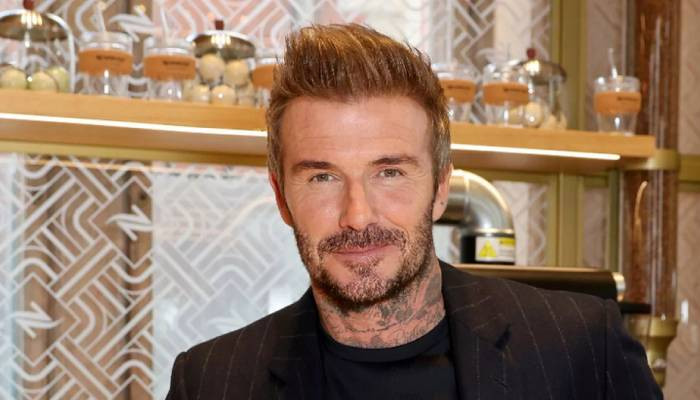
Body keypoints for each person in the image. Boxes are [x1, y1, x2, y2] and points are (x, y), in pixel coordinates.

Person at [165, 24, 661, 399]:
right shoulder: (211, 382)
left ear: (441, 187)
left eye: (390, 172)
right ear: (281, 198)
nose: (357, 216)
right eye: (322, 177)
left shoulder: (581, 348)